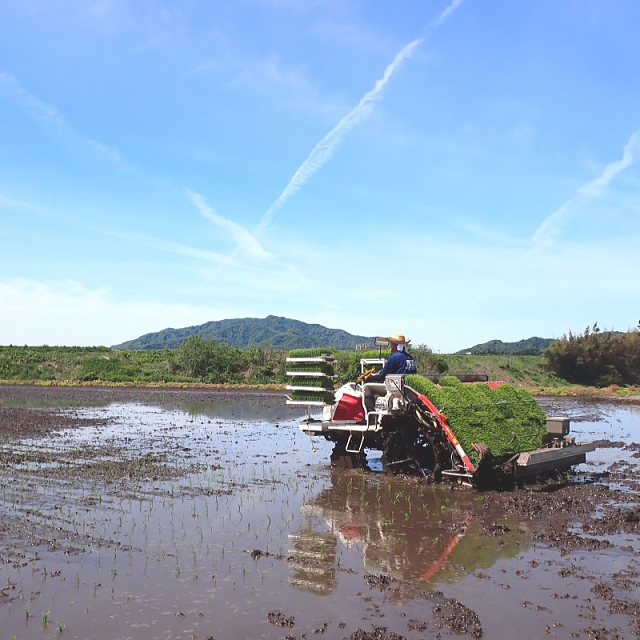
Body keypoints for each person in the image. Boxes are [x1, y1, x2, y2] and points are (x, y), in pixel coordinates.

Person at [363, 333, 416, 412]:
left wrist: (367, 378)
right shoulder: (410, 357)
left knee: (367, 388)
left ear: (395, 345)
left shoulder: (394, 358)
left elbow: (382, 376)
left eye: (391, 343)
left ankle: (370, 415)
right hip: (408, 390)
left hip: (396, 389)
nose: (390, 346)